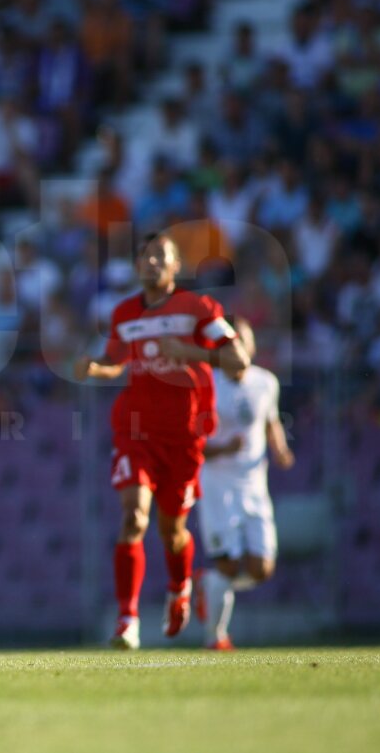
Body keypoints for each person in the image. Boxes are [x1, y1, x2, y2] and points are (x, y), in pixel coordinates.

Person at [74, 233, 249, 650]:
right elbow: (115, 364)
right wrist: (93, 369)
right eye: (145, 256)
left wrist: (194, 354)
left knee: (173, 531)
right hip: (135, 431)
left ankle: (179, 586)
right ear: (137, 266)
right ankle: (127, 620)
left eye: (161, 256)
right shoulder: (124, 313)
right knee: (134, 517)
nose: (152, 262)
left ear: (175, 267)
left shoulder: (198, 309)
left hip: (184, 437)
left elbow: (238, 362)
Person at [195, 317, 293, 650]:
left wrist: (279, 449)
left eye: (243, 342)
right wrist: (223, 448)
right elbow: (192, 441)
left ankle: (209, 585)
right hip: (219, 483)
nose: (238, 349)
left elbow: (271, 420)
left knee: (261, 568)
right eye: (231, 344)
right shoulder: (207, 384)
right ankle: (215, 636)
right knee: (227, 562)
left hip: (254, 484)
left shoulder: (266, 382)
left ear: (251, 346)